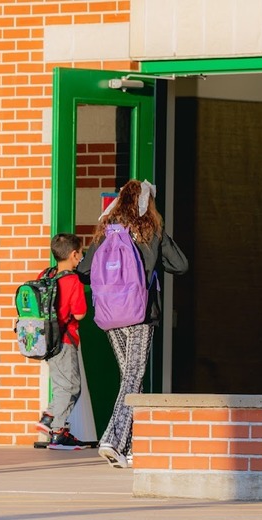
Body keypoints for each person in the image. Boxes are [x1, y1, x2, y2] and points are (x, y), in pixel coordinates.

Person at [76, 180, 187, 468]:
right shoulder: (151, 231)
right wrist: (159, 244)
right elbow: (181, 265)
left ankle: (128, 446)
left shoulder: (106, 232)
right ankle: (112, 439)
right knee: (133, 378)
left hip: (111, 316)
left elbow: (84, 271)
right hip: (140, 314)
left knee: (129, 379)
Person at [35, 233, 88, 450]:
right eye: (81, 253)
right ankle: (56, 429)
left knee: (61, 385)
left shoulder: (46, 274)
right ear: (75, 255)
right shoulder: (73, 280)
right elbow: (79, 314)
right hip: (65, 339)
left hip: (46, 341)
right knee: (72, 386)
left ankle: (51, 420)